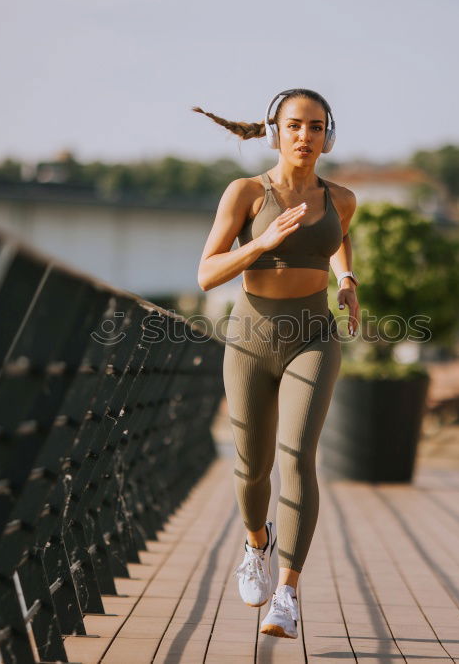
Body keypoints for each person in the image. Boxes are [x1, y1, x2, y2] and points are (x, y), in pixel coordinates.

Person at [193, 88, 359, 638]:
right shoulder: (245, 192)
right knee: (251, 468)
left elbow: (338, 239)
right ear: (275, 131)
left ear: (327, 134)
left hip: (313, 336)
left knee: (298, 456)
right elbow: (207, 273)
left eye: (315, 127)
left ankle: (286, 593)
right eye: (294, 126)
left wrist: (347, 279)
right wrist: (260, 242)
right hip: (249, 339)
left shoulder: (342, 198)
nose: (305, 137)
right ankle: (255, 543)